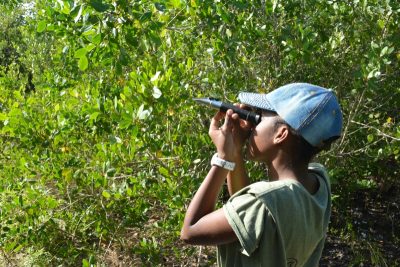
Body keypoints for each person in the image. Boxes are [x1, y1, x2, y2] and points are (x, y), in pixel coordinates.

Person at [180, 83, 343, 266]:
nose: (251, 127)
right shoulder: (319, 184)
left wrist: (223, 159)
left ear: (281, 134)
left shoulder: (264, 202)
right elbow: (247, 216)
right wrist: (235, 154)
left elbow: (190, 231)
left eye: (258, 118)